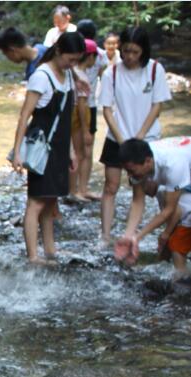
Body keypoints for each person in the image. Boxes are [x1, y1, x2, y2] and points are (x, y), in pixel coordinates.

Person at [12, 32, 85, 263]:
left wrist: (71, 151)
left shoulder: (68, 75)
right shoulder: (41, 76)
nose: (72, 64)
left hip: (60, 148)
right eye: (70, 59)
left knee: (51, 201)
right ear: (59, 51)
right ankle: (33, 256)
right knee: (35, 202)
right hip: (41, 149)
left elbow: (66, 118)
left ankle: (50, 251)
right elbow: (24, 116)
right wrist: (17, 152)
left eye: (76, 60)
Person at [97, 26, 171, 246]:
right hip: (116, 138)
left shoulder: (155, 70)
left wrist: (139, 137)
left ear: (143, 51)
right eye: (126, 51)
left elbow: (157, 106)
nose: (129, 56)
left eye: (135, 52)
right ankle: (105, 236)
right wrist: (123, 141)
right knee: (110, 187)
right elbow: (107, 110)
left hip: (146, 140)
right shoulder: (111, 73)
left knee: (139, 190)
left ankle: (129, 235)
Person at [115, 137, 191, 274]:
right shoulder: (138, 157)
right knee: (173, 233)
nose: (129, 175)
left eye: (132, 171)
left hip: (183, 166)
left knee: (180, 240)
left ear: (148, 162)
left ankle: (181, 276)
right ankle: (165, 265)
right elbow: (137, 202)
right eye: (126, 171)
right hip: (184, 169)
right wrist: (129, 236)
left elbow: (170, 210)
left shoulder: (173, 166)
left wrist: (138, 237)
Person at [70, 38, 106, 202]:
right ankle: (74, 191)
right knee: (79, 154)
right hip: (80, 117)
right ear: (90, 56)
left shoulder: (73, 71)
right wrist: (86, 131)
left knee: (79, 153)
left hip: (76, 115)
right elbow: (82, 105)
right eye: (95, 57)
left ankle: (79, 190)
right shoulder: (81, 76)